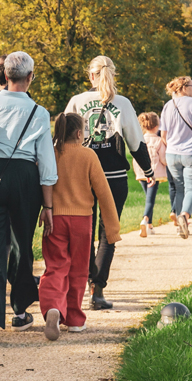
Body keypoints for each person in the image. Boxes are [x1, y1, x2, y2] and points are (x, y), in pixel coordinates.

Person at [0, 51, 57, 345]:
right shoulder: (39, 112)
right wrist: (48, 206)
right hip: (25, 178)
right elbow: (47, 164)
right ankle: (19, 309)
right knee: (21, 245)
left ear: (5, 76)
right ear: (30, 77)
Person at [64, 56, 154, 310]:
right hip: (113, 177)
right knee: (108, 233)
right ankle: (98, 291)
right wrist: (148, 169)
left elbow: (62, 139)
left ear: (90, 75)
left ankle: (82, 285)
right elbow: (136, 141)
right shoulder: (122, 103)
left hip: (81, 175)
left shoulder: (77, 101)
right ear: (113, 74)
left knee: (84, 232)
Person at [39, 113, 120, 340]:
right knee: (79, 270)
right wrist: (112, 229)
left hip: (55, 219)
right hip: (82, 221)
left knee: (55, 267)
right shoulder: (88, 155)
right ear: (78, 133)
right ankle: (74, 319)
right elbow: (104, 193)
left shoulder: (50, 154)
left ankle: (53, 307)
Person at [159, 76, 192, 239]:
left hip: (172, 154)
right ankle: (184, 215)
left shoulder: (168, 105)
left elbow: (163, 135)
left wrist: (173, 146)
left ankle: (180, 226)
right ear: (183, 88)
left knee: (179, 188)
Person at [132, 112, 167, 237]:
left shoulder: (140, 140)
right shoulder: (159, 141)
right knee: (150, 199)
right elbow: (163, 159)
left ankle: (150, 226)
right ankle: (145, 219)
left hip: (141, 172)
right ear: (157, 126)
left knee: (148, 197)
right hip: (154, 173)